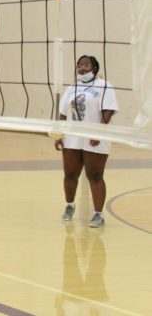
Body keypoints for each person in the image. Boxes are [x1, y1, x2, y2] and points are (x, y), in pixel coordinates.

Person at [55, 55, 118, 228]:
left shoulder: (104, 86)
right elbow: (62, 113)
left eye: (86, 65)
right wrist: (58, 133)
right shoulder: (72, 88)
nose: (82, 68)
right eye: (79, 65)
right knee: (70, 174)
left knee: (95, 175)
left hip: (95, 136)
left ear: (94, 68)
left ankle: (98, 214)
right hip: (72, 136)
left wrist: (99, 132)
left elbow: (108, 110)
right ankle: (69, 206)